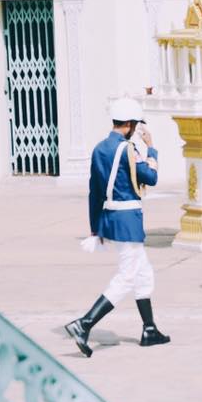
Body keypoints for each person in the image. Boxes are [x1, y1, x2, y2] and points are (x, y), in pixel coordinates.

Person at [65, 97, 170, 356]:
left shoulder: (100, 148)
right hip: (127, 220)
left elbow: (94, 191)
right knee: (126, 277)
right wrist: (152, 150)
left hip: (111, 218)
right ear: (131, 124)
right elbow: (152, 178)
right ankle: (85, 323)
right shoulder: (128, 150)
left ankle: (149, 329)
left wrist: (94, 227)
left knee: (144, 274)